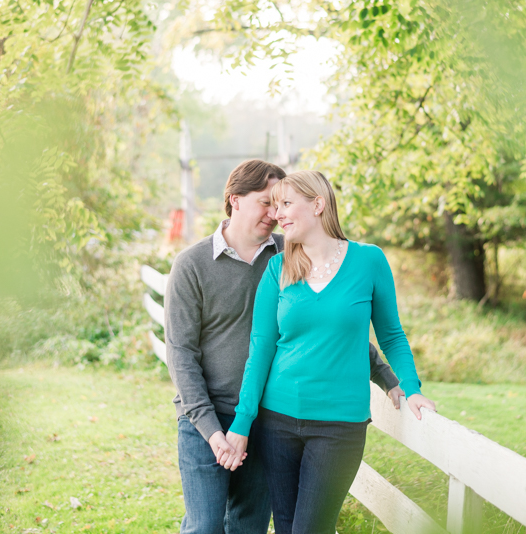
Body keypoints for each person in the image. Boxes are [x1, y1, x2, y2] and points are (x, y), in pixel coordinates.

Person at [164, 160, 405, 534]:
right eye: (266, 203)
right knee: (205, 525)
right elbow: (180, 355)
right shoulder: (192, 265)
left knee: (249, 525)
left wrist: (388, 377)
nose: (276, 214)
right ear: (235, 201)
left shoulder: (291, 251)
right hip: (206, 418)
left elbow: (334, 325)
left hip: (262, 416)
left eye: (281, 204)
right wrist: (213, 431)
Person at [220, 170, 437, 534]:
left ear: (318, 204)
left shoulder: (369, 261)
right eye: (275, 206)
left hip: (340, 425)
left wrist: (411, 387)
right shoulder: (278, 269)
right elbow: (260, 351)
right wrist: (242, 423)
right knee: (288, 526)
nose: (278, 214)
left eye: (286, 204)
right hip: (277, 421)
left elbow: (391, 335)